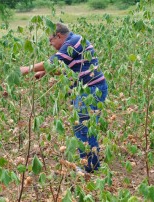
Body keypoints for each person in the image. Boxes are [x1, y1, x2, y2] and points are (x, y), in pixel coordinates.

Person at [20, 22, 108, 173]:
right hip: (86, 90)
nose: (51, 45)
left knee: (83, 129)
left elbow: (55, 61)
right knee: (82, 127)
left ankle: (91, 168)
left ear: (59, 36)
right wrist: (45, 72)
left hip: (90, 91)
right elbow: (64, 66)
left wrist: (27, 69)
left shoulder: (74, 41)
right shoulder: (73, 41)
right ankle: (91, 164)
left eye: (51, 41)